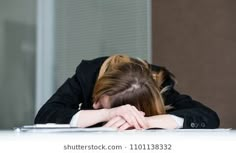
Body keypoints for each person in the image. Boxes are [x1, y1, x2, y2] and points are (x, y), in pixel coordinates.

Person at [34, 54, 220, 130]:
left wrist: (144, 121)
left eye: (102, 105)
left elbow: (208, 117)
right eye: (97, 99)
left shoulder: (158, 84)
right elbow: (45, 115)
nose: (95, 105)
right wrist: (106, 113)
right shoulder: (87, 75)